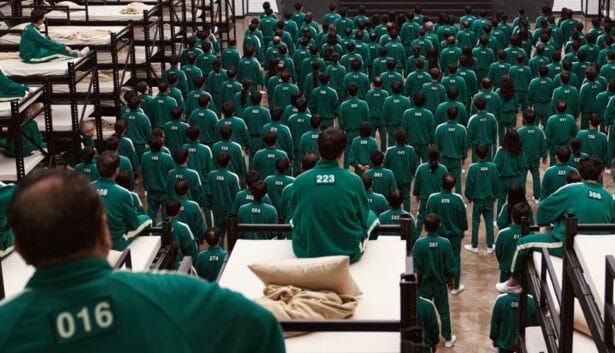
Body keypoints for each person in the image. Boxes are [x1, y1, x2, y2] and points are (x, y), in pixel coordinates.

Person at [0, 170, 285, 352]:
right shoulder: (179, 295)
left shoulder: (7, 327)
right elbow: (261, 327)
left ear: (19, 248)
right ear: (104, 232)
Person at [498, 156, 613, 294]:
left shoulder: (572, 189)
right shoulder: (608, 197)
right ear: (601, 174)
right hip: (597, 247)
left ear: (579, 173)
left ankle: (513, 282)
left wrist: (557, 219)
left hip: (567, 245)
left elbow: (541, 215)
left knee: (522, 243)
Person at [289, 127, 369, 262]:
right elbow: (363, 218)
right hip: (347, 253)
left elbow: (294, 217)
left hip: (307, 251)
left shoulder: (300, 181)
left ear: (318, 149)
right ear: (342, 152)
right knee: (371, 216)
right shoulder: (354, 181)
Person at [412, 213, 458, 348]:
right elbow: (450, 266)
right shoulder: (445, 243)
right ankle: (448, 337)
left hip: (423, 284)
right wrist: (451, 281)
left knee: (422, 310)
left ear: (425, 228)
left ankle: (423, 334)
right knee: (444, 311)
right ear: (439, 226)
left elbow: (416, 266)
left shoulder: (419, 244)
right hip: (439, 284)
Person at [93, 151, 151, 250]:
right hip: (116, 242)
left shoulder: (86, 188)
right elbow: (134, 223)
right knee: (147, 219)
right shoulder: (124, 193)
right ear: (117, 171)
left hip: (94, 240)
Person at [425, 173, 467, 294]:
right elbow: (462, 217)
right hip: (454, 236)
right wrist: (462, 230)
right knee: (455, 259)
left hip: (437, 234)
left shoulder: (433, 198)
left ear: (441, 183)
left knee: (436, 256)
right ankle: (455, 286)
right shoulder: (458, 199)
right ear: (453, 186)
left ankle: (439, 279)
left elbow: (428, 214)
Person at [464, 144, 499, 255]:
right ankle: (490, 245)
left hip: (477, 200)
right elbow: (496, 183)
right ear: (488, 153)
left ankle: (474, 245)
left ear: (476, 154)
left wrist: (468, 196)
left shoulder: (473, 167)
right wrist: (495, 196)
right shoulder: (493, 167)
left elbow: (469, 184)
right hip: (489, 199)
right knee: (489, 221)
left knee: (475, 222)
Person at [20, 9, 89, 63]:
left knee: (54, 47)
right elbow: (46, 42)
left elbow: (42, 39)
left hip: (32, 52)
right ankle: (77, 55)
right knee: (56, 51)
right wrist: (64, 47)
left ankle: (73, 52)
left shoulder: (29, 27)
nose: (44, 19)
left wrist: (49, 39)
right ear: (39, 20)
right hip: (31, 57)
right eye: (43, 18)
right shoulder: (32, 31)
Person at [494, 202, 530, 283]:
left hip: (506, 270)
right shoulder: (531, 234)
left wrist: (504, 262)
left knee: (505, 294)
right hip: (524, 271)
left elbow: (498, 252)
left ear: (512, 216)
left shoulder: (503, 233)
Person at [161, 199, 198, 266]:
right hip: (180, 265)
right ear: (179, 211)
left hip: (162, 265)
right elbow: (192, 248)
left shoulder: (158, 227)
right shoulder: (184, 227)